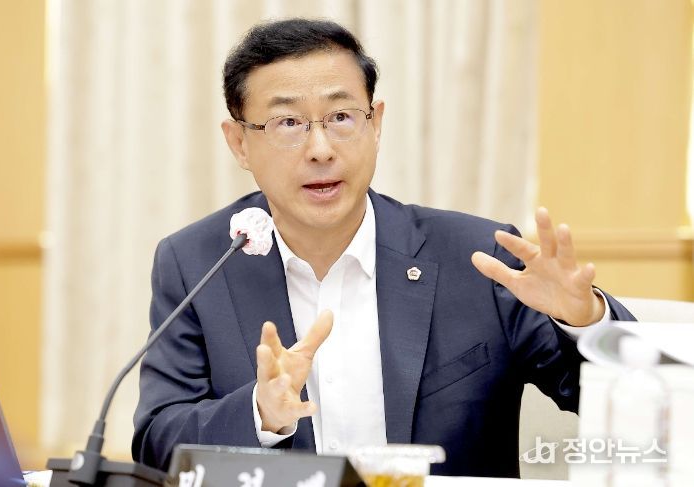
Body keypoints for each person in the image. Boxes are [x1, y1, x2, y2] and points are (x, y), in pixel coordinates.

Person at [132, 18, 635, 477]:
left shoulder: (479, 259)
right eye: (288, 124)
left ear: (375, 124)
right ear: (239, 143)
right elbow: (158, 441)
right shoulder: (197, 263)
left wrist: (584, 322)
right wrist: (260, 413)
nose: (321, 149)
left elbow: (628, 401)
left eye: (341, 116)